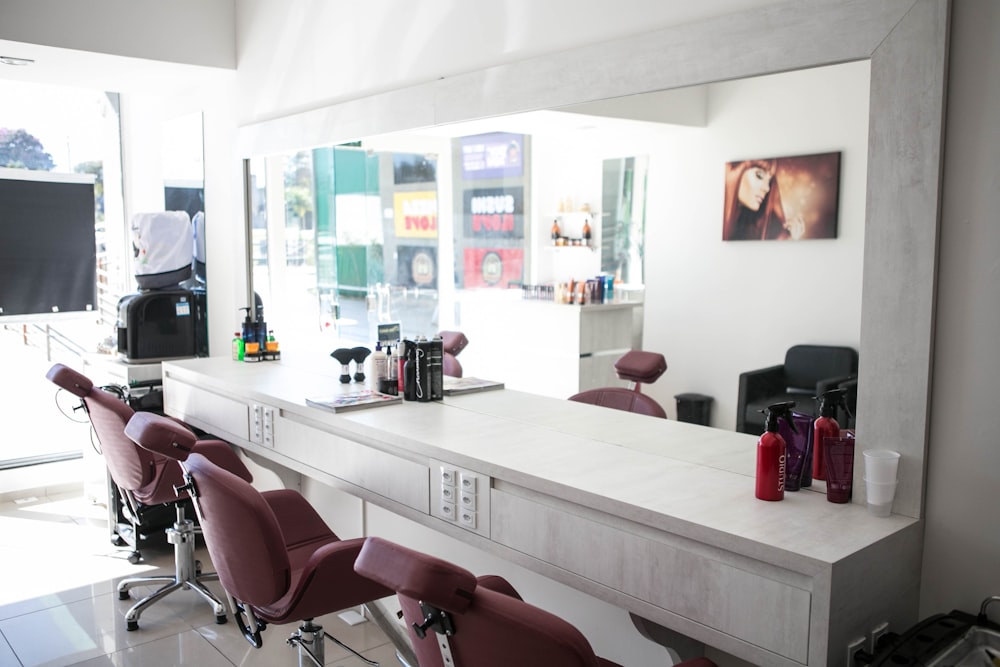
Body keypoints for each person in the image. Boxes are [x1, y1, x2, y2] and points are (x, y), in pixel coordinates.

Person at [723, 159, 804, 241]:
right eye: (759, 175)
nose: (767, 188)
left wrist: (789, 239)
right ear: (734, 172)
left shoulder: (752, 228)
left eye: (769, 181)